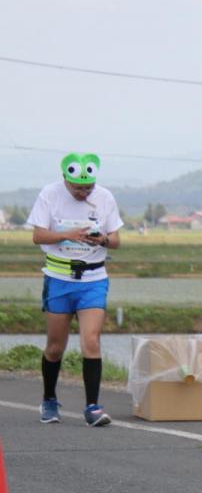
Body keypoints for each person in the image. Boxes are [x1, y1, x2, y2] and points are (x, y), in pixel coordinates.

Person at [28, 153, 122, 426]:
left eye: (88, 187)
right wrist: (66, 235)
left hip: (93, 278)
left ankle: (92, 406)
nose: (83, 192)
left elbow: (116, 239)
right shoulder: (50, 195)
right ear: (65, 180)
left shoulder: (105, 197)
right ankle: (49, 399)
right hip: (59, 278)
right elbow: (38, 236)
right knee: (56, 347)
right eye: (77, 188)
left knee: (91, 341)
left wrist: (102, 239)